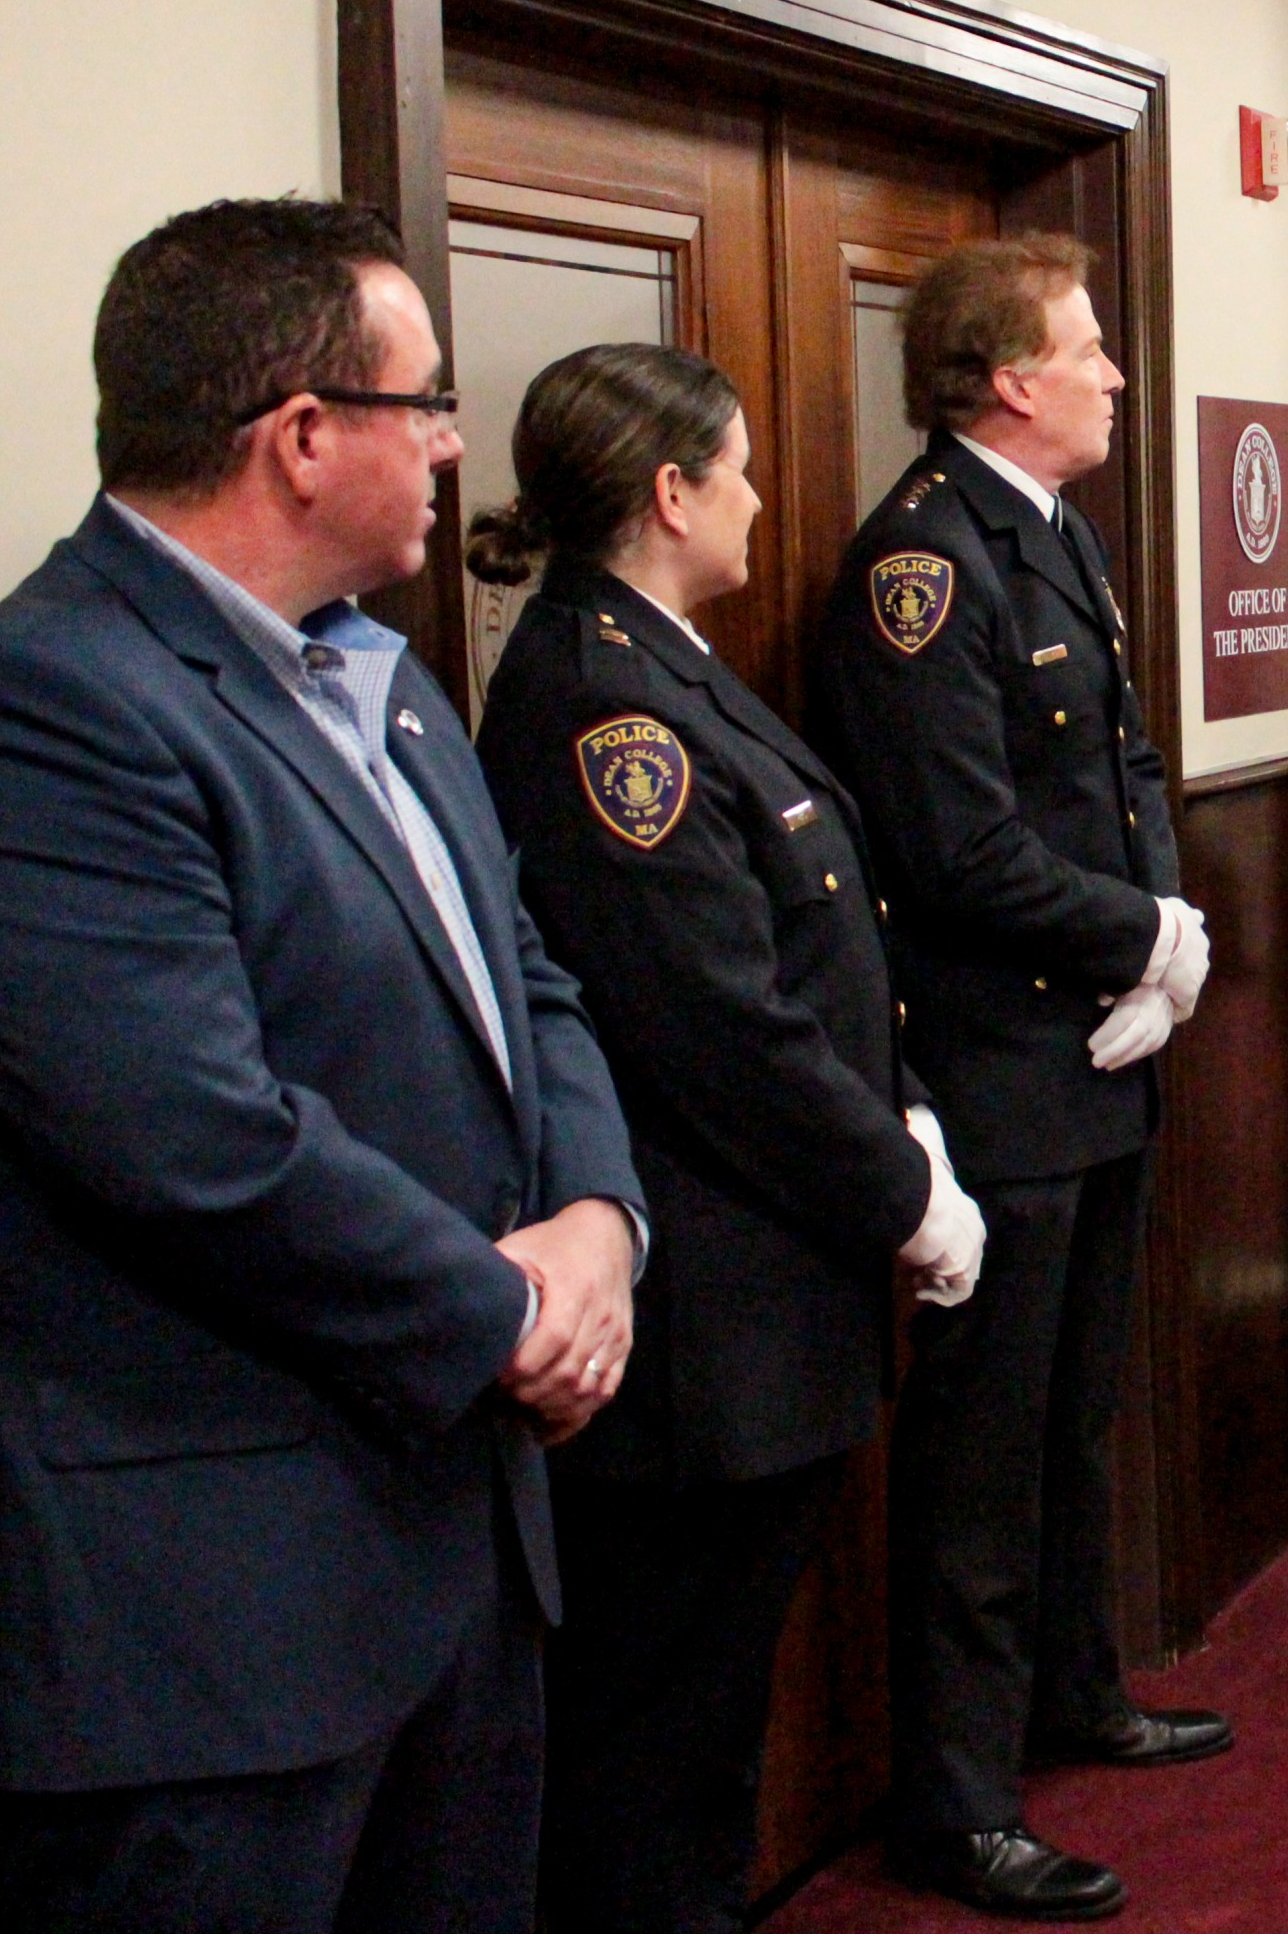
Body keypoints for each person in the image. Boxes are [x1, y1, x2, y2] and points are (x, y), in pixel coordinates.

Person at [0, 198, 643, 1932]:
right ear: (306, 435)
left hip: (454, 1556)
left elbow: (532, 979)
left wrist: (599, 1223)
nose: (456, 444)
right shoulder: (44, 703)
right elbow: (193, 1139)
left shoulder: (391, 685)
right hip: (211, 1629)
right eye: (426, 401)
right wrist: (507, 1315)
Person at [469, 344, 987, 1934]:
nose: (765, 498)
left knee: (699, 1733)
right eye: (742, 467)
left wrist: (897, 1103)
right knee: (658, 1747)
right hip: (707, 1335)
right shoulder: (599, 702)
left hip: (769, 1297)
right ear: (670, 490)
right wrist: (906, 1191)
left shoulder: (657, 656)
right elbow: (719, 1030)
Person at [810, 235, 1222, 1922]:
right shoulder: (924, 566)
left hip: (1100, 1054)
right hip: (1000, 1072)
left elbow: (1119, 766)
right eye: (1092, 348)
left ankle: (1074, 1688)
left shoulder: (1054, 534)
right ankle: (957, 1798)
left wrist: (1168, 930)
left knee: (1076, 1418)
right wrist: (1139, 935)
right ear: (1008, 381)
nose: (1117, 374)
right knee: (979, 1455)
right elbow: (957, 847)